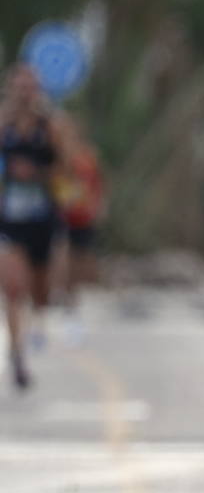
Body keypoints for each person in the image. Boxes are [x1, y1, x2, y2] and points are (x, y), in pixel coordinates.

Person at [0, 63, 72, 389]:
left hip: (43, 216)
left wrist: (37, 173)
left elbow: (67, 167)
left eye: (30, 88)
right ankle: (17, 355)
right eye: (19, 87)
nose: (24, 94)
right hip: (11, 216)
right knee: (13, 288)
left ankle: (36, 320)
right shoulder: (4, 124)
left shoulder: (51, 126)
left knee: (38, 291)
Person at [52, 115, 105, 333]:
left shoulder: (89, 156)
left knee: (80, 262)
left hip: (83, 215)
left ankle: (71, 297)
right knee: (62, 253)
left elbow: (99, 183)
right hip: (61, 215)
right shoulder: (54, 157)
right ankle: (59, 292)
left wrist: (99, 204)